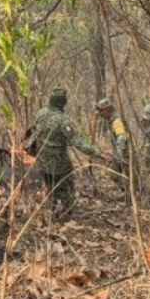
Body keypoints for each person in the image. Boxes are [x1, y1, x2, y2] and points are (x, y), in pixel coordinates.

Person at [29, 88, 106, 218]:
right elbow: (78, 141)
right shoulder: (63, 120)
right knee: (67, 185)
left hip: (42, 160)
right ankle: (67, 212)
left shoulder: (41, 113)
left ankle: (51, 211)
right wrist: (98, 153)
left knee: (50, 185)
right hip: (58, 162)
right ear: (63, 102)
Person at [95, 97, 133, 196]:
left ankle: (136, 198)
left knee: (133, 180)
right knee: (114, 175)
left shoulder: (117, 121)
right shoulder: (111, 120)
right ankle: (128, 195)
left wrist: (119, 153)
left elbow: (121, 136)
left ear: (108, 110)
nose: (100, 114)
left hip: (126, 155)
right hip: (119, 155)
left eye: (101, 111)